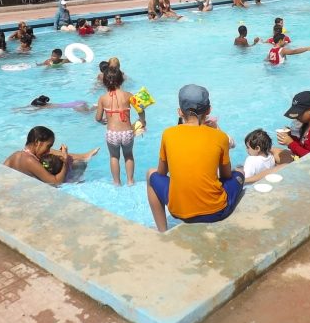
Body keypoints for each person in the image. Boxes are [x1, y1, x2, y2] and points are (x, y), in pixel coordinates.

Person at [146, 84, 244, 233]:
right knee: (239, 172)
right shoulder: (220, 136)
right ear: (209, 110)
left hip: (178, 211)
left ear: (180, 112)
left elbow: (161, 172)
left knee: (150, 174)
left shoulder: (168, 134)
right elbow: (226, 175)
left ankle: (162, 230)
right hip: (216, 212)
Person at [95, 67, 146, 186]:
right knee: (128, 155)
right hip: (127, 133)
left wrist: (102, 121)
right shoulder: (128, 95)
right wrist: (142, 121)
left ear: (104, 82)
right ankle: (130, 181)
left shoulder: (102, 98)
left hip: (112, 133)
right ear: (121, 80)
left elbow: (97, 118)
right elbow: (141, 109)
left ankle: (117, 182)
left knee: (114, 157)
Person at [2, 126, 98, 185]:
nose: (48, 150)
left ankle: (83, 156)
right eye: (48, 146)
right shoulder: (29, 160)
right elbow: (55, 182)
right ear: (37, 142)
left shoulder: (16, 155)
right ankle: (82, 159)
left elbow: (0, 170)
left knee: (77, 164)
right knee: (80, 166)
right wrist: (64, 162)